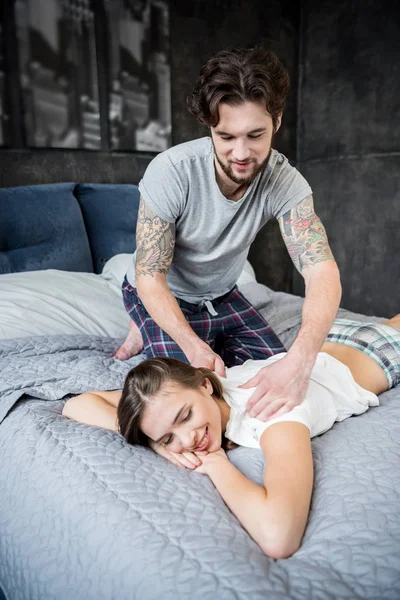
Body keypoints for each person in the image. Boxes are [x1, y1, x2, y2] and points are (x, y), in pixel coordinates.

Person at [113, 45, 342, 422]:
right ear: (209, 127)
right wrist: (193, 346)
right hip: (160, 291)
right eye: (226, 136)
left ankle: (173, 327)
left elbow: (322, 270)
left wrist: (302, 358)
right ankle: (143, 320)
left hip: (222, 293)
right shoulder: (171, 172)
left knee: (272, 384)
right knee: (185, 397)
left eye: (256, 135)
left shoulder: (285, 182)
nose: (241, 153)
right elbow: (149, 275)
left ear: (278, 122)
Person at [63, 315, 400, 558]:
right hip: (329, 344)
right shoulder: (179, 398)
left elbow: (279, 538)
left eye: (185, 416)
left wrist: (218, 464)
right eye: (168, 437)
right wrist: (154, 440)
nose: (188, 439)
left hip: (376, 352)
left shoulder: (274, 414)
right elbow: (77, 405)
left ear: (206, 383)